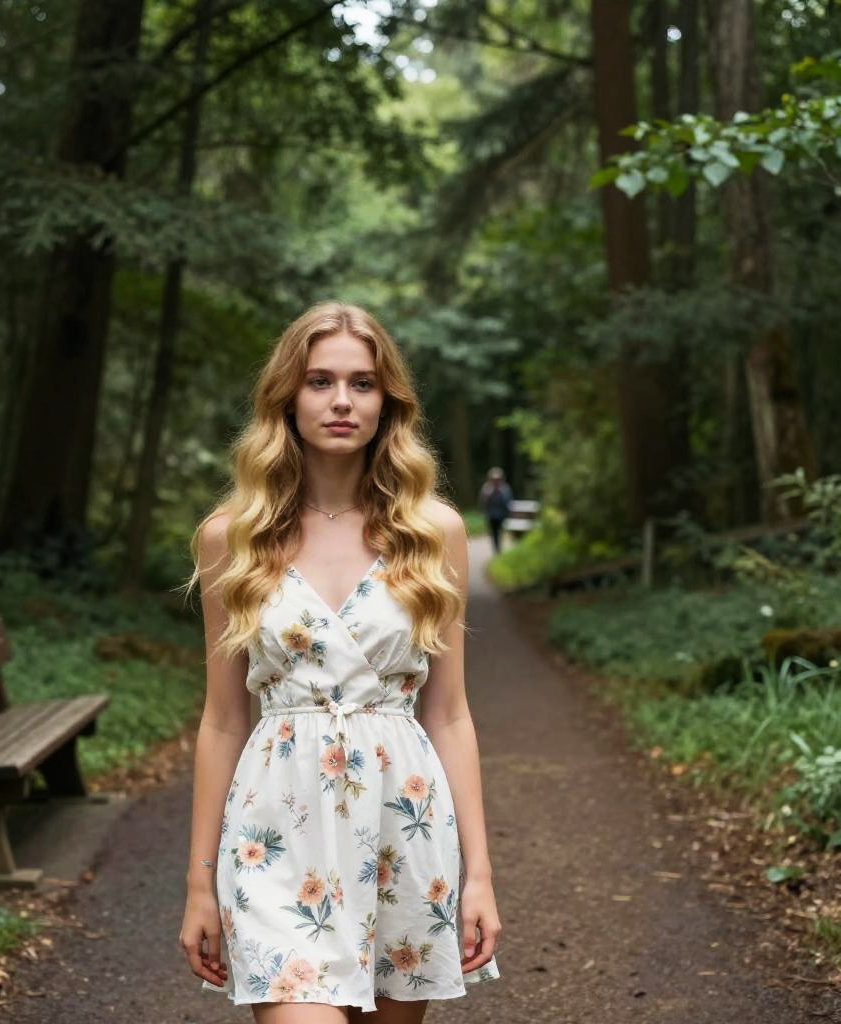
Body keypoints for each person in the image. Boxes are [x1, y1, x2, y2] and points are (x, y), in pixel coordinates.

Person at [179, 301, 502, 1021]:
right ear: (287, 398)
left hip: (401, 825)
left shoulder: (434, 533)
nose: (341, 401)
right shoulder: (232, 538)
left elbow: (449, 714)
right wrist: (200, 883)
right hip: (276, 832)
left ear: (387, 402)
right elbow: (223, 720)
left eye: (362, 383)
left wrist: (478, 873)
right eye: (320, 381)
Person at [479, 468, 512, 554]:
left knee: (500, 532)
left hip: (501, 515)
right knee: (493, 533)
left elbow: (508, 502)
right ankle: (496, 550)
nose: (496, 481)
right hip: (491, 515)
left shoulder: (505, 488)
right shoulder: (487, 488)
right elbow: (483, 502)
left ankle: (499, 549)